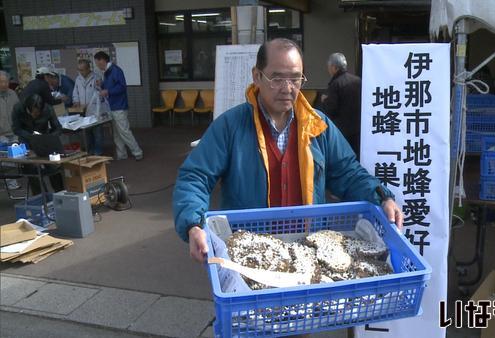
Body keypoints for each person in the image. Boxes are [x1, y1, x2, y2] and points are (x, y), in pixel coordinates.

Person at [173, 38, 403, 263]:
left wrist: (381, 197)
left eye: (295, 79)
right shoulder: (230, 126)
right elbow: (196, 176)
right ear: (257, 76)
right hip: (248, 253)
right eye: (276, 78)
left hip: (309, 251)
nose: (287, 88)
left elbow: (347, 172)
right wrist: (193, 224)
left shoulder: (318, 126)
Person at [93, 51, 143, 161]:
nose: (97, 65)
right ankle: (122, 154)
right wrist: (101, 85)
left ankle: (137, 151)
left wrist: (107, 91)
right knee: (117, 132)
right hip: (115, 105)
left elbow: (122, 87)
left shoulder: (114, 71)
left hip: (118, 105)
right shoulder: (110, 71)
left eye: (97, 63)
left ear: (103, 60)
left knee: (123, 131)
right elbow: (116, 86)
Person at [12, 94, 64, 195]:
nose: (35, 115)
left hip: (44, 139)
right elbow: (16, 128)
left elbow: (58, 128)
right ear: (28, 108)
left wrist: (49, 138)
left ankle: (60, 194)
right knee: (30, 168)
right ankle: (41, 197)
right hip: (26, 139)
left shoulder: (47, 109)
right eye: (33, 113)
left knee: (53, 166)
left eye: (38, 113)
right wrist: (30, 136)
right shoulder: (18, 108)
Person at [321, 52, 362, 156]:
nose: (328, 70)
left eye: (329, 67)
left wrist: (325, 100)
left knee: (343, 157)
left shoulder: (336, 83)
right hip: (358, 128)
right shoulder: (358, 81)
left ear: (334, 67)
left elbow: (331, 109)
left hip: (342, 129)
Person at [73, 59, 103, 155]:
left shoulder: (96, 78)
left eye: (82, 70)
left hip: (95, 110)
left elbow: (100, 93)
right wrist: (76, 101)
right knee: (87, 133)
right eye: (79, 70)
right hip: (83, 111)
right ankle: (90, 151)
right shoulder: (78, 79)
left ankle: (98, 152)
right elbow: (75, 92)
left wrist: (91, 104)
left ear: (88, 69)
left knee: (97, 133)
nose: (81, 72)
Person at [0, 70, 21, 190]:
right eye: (1, 82)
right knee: (6, 157)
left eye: (6, 81)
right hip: (1, 133)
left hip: (13, 131)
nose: (4, 84)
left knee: (15, 156)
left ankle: (13, 180)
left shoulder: (12, 94)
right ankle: (11, 182)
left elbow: (19, 110)